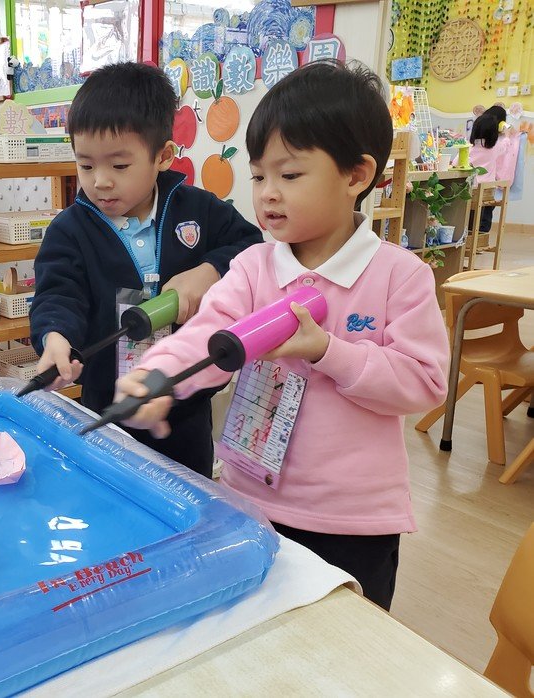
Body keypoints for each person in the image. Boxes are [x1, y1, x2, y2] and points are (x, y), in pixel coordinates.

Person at [114, 60, 450, 610]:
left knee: (341, 643)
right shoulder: (254, 268)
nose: (267, 194)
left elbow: (424, 382)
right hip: (250, 501)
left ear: (356, 175)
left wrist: (330, 353)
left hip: (351, 523)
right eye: (258, 176)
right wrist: (159, 375)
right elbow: (209, 334)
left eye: (289, 176)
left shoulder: (399, 276)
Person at [30, 61, 262, 478]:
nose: (100, 181)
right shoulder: (70, 230)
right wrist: (56, 338)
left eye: (119, 166)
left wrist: (208, 270)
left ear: (163, 156)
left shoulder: (198, 209)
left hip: (185, 410)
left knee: (188, 497)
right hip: (107, 409)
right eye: (86, 165)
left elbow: (250, 247)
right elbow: (58, 293)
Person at [466, 105, 522, 233]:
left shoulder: (470, 148)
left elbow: (456, 162)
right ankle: (482, 236)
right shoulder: (493, 149)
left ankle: (470, 235)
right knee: (485, 214)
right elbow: (505, 146)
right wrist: (506, 135)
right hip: (487, 188)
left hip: (471, 187)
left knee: (471, 214)